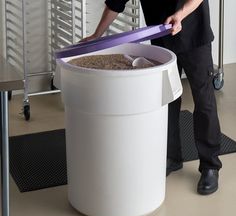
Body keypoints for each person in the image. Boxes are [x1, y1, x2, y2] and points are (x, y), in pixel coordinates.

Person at [82, 0, 222, 195]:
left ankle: (210, 166)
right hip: (162, 39)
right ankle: (171, 157)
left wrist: (180, 14)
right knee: (167, 100)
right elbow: (115, 3)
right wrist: (97, 35)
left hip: (194, 35)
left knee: (203, 100)